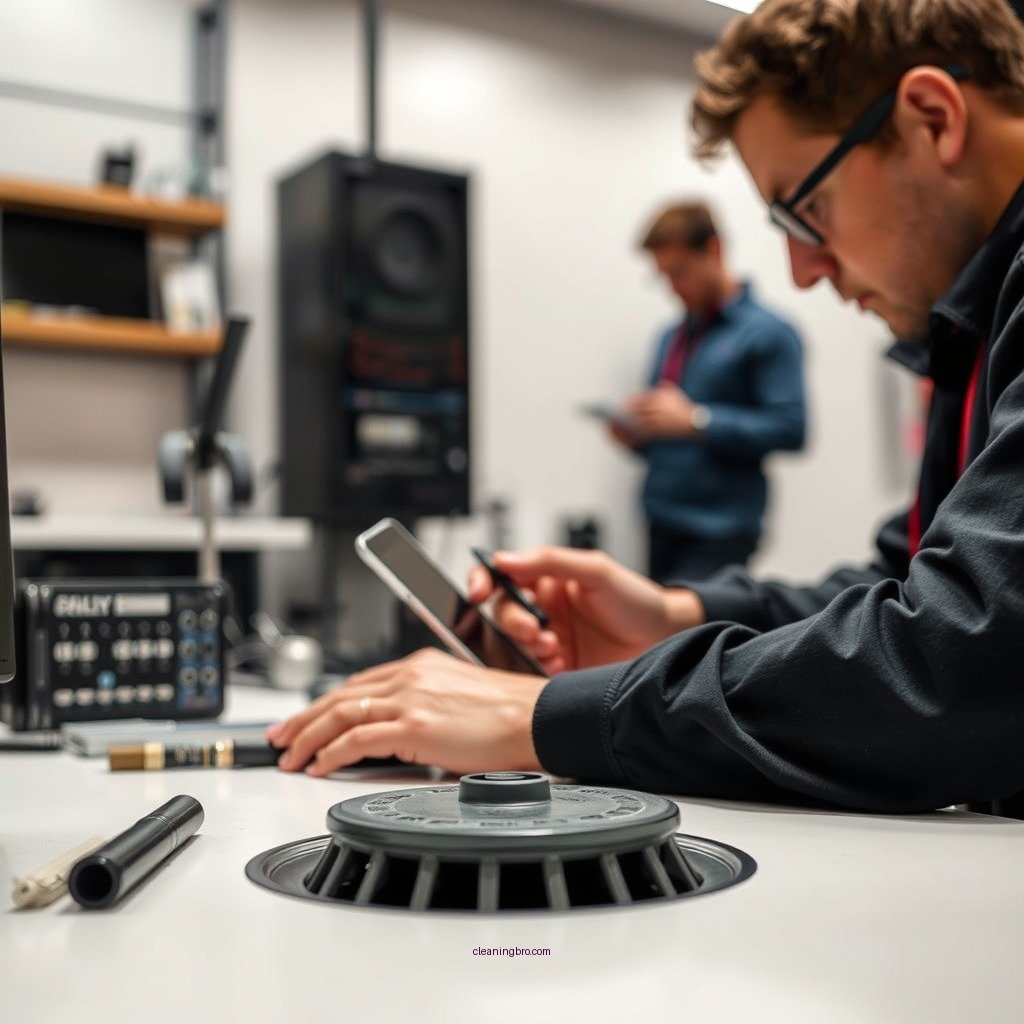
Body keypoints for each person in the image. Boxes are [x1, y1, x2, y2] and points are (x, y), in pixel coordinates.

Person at [269, 0, 1024, 818]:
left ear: (932, 118)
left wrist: (543, 716)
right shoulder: (970, 331)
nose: (805, 271)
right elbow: (906, 585)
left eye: (804, 210)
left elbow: (959, 667)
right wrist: (673, 615)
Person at [612, 202, 806, 583]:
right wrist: (636, 435)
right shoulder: (672, 336)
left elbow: (790, 428)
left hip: (721, 530)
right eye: (664, 276)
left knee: (689, 639)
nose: (673, 288)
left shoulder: (769, 333)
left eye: (680, 272)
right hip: (660, 520)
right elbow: (669, 430)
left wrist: (698, 421)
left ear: (714, 250)